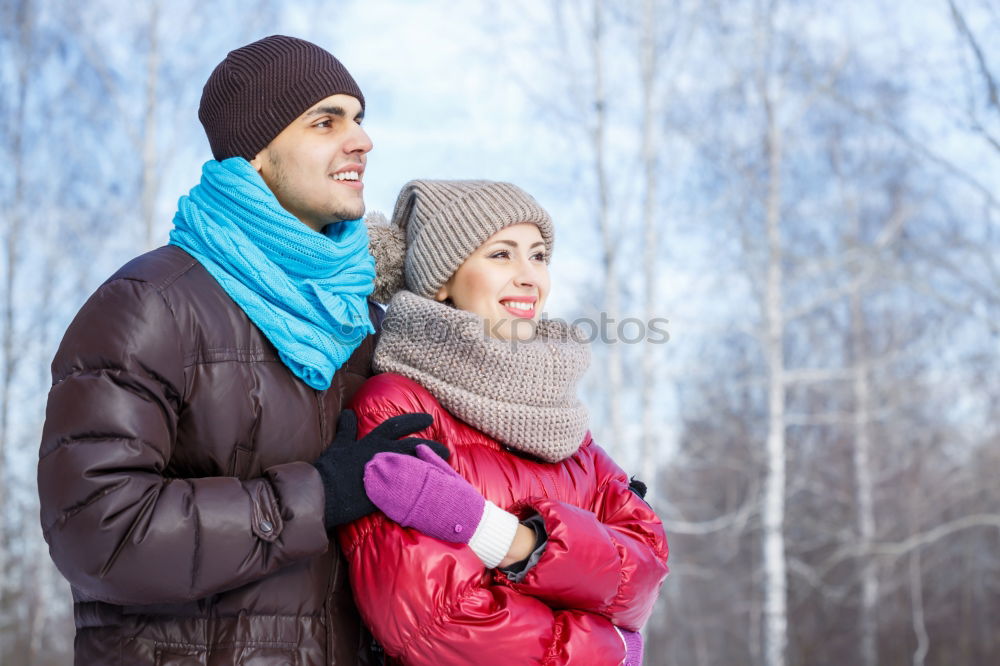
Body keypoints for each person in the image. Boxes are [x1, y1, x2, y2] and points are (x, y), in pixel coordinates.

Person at [37, 35, 447, 665]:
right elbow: (98, 533)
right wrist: (319, 493)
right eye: (326, 121)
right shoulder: (150, 306)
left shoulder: (364, 321)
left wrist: (579, 505)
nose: (361, 140)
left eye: (359, 119)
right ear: (256, 153)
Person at [338, 180, 669, 665]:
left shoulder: (562, 422)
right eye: (501, 255)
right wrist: (611, 650)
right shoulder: (396, 408)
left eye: (538, 256)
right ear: (442, 280)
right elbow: (443, 624)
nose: (529, 277)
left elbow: (643, 572)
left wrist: (512, 541)